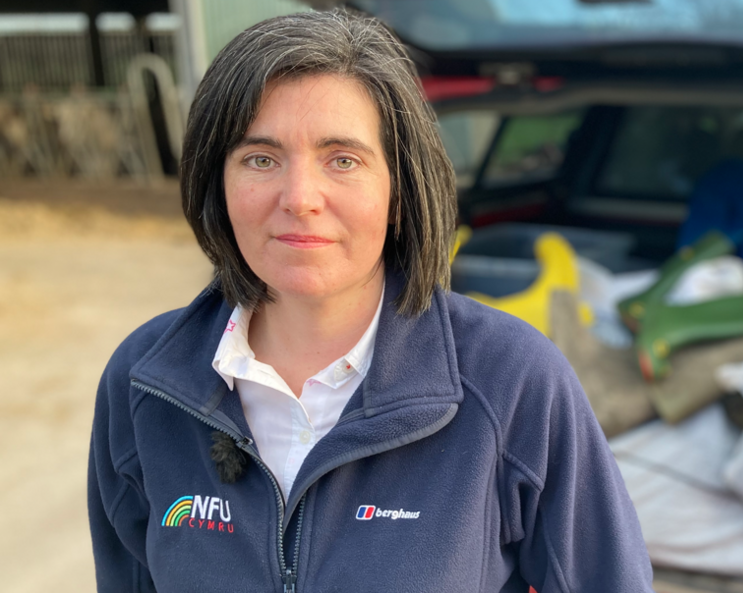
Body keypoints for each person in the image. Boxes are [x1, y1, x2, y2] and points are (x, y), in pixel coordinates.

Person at [87, 9, 653, 593]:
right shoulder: (144, 382)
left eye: (343, 160)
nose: (300, 197)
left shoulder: (513, 384)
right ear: (217, 184)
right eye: (260, 158)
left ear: (400, 189)